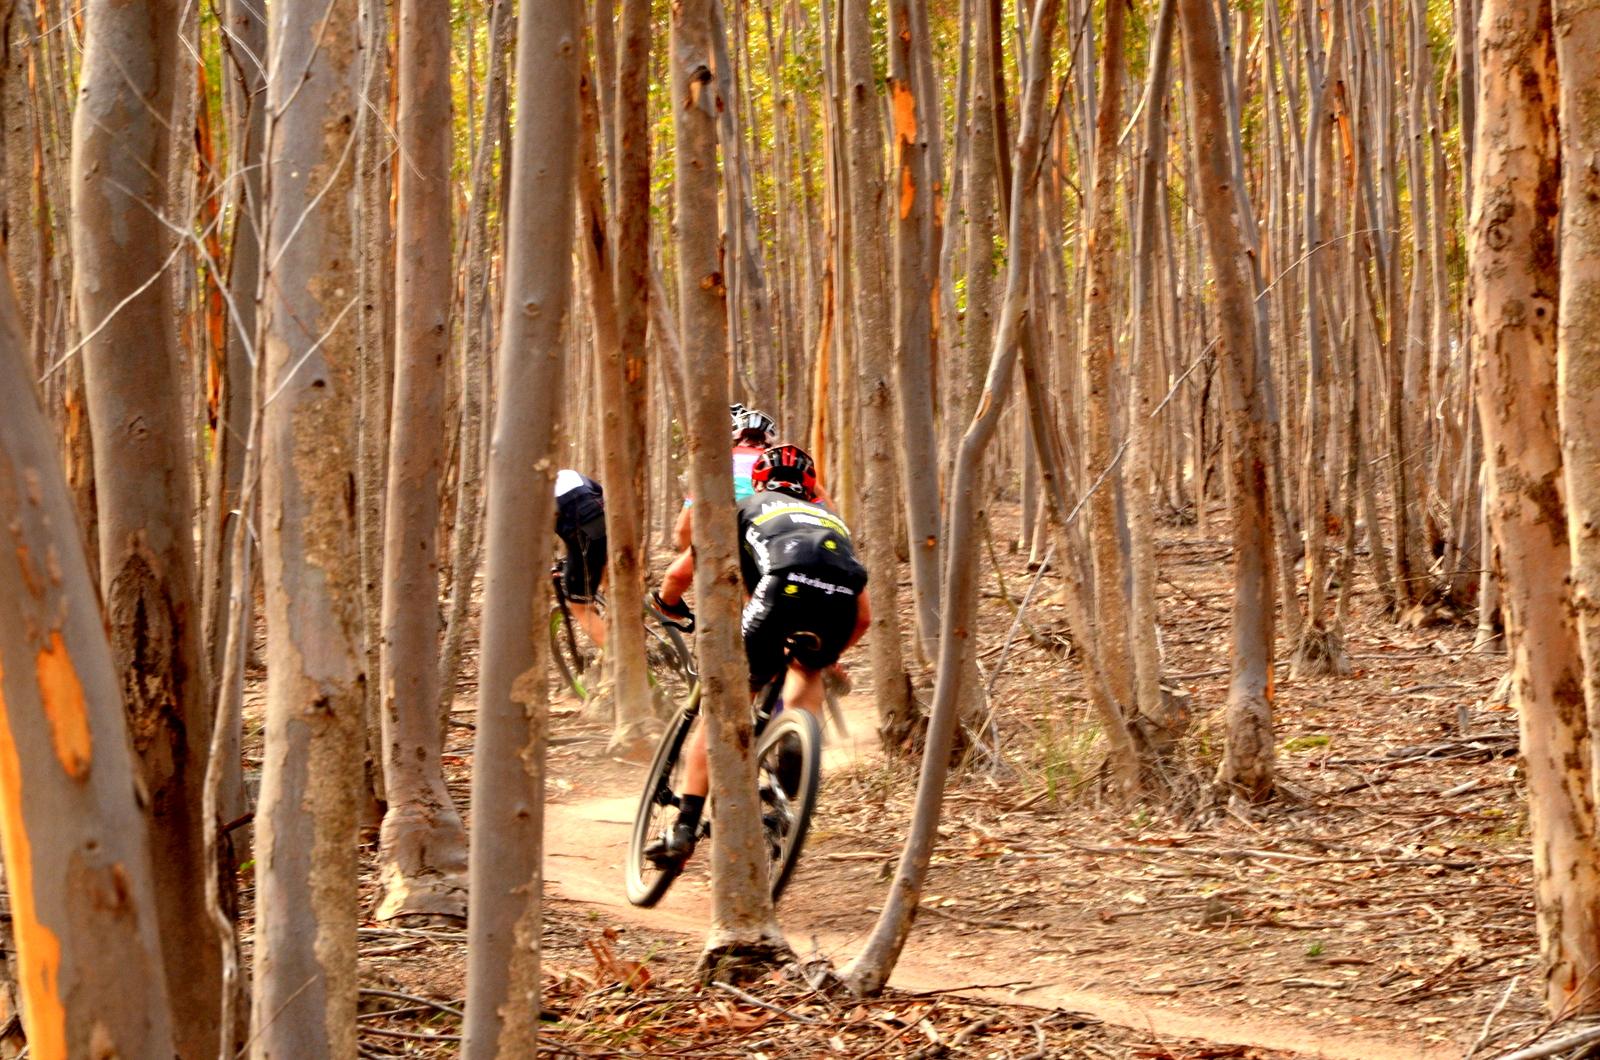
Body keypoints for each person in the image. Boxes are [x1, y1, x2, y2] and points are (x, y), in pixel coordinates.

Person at [645, 443, 871, 865]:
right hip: (838, 605)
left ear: (760, 481)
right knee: (807, 674)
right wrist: (833, 654)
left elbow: (679, 574)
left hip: (779, 592)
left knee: (722, 707)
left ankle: (684, 829)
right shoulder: (833, 522)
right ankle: (792, 766)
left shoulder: (745, 507)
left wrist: (667, 604)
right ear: (811, 489)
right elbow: (863, 619)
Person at [655, 407, 780, 625]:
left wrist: (693, 556)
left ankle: (668, 609)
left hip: (722, 538)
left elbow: (682, 530)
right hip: (775, 542)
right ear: (769, 442)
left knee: (671, 583)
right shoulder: (783, 464)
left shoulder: (716, 464)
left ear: (735, 438)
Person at [555, 468, 608, 648]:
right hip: (612, 526)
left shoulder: (532, 491)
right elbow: (600, 493)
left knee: (580, 608)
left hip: (585, 539)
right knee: (610, 582)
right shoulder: (568, 474)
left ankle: (622, 663)